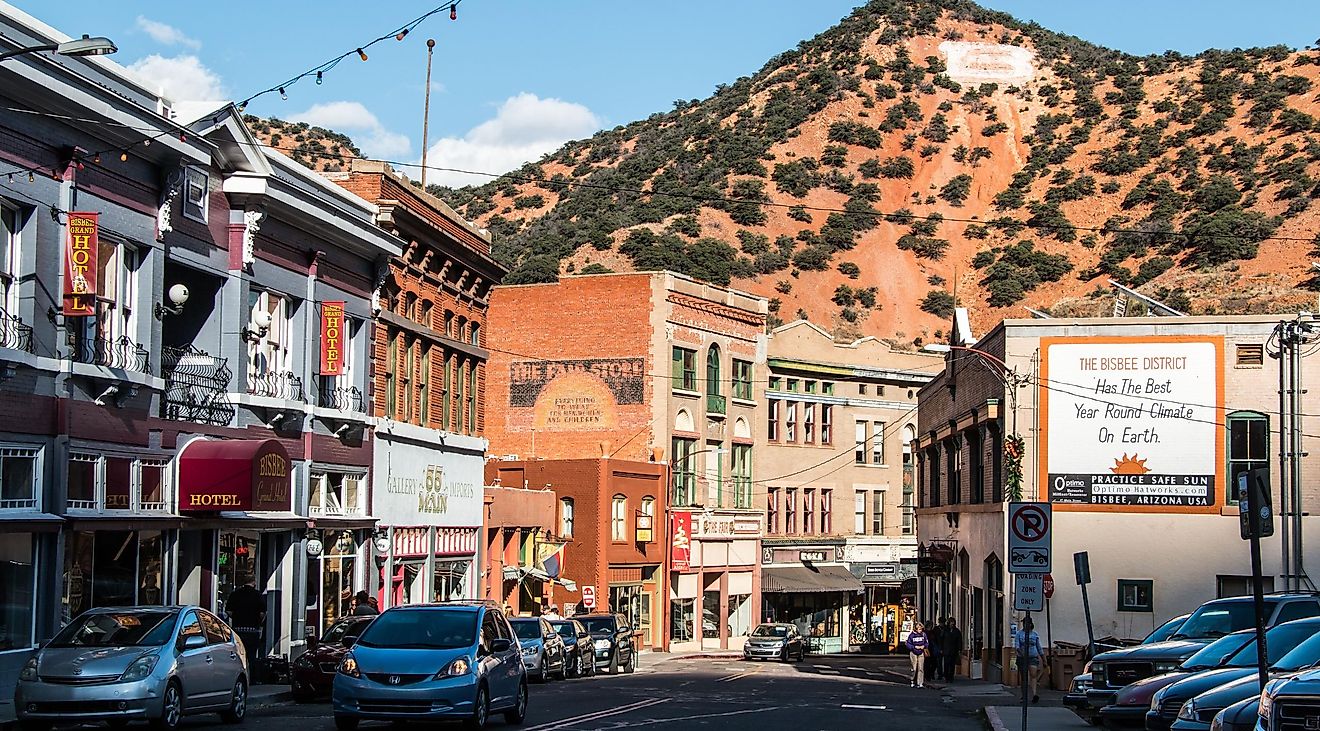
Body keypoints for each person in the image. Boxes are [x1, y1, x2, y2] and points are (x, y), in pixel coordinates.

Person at [226, 583, 266, 677]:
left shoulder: (235, 594)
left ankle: (237, 676)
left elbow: (228, 611)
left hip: (238, 630)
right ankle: (251, 677)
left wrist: (237, 618)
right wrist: (258, 622)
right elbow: (262, 613)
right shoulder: (258, 595)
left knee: (238, 655)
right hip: (252, 631)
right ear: (254, 583)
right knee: (251, 656)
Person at [1015, 615, 1044, 703]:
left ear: (1031, 624)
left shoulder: (1035, 634)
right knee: (1024, 678)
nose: (1026, 625)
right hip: (1022, 658)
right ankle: (1024, 696)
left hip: (1033, 657)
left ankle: (1034, 694)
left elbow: (1039, 647)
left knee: (1033, 675)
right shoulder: (1019, 634)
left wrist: (1044, 658)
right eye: (1024, 624)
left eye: (1027, 623)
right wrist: (1021, 653)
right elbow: (1017, 646)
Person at [905, 621, 929, 688]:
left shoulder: (923, 635)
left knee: (921, 668)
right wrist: (914, 647)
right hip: (913, 653)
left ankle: (920, 683)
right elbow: (908, 644)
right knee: (914, 668)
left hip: (921, 652)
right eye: (919, 629)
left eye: (921, 629)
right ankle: (912, 680)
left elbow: (927, 643)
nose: (920, 630)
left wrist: (924, 646)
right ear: (916, 629)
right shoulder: (912, 635)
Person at [942, 617, 963, 681]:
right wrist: (941, 648)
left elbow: (959, 641)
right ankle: (946, 676)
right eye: (951, 623)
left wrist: (959, 649)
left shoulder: (957, 631)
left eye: (953, 624)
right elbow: (941, 639)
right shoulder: (945, 630)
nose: (952, 625)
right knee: (946, 664)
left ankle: (951, 676)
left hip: (954, 650)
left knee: (952, 664)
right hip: (946, 650)